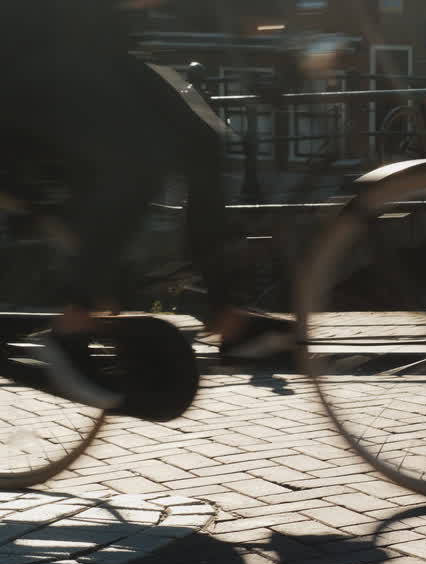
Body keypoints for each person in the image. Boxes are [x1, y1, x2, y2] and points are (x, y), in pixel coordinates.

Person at [0, 0, 294, 410]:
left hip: (93, 48)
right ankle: (70, 329)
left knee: (203, 141)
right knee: (136, 162)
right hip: (28, 52)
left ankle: (229, 317)